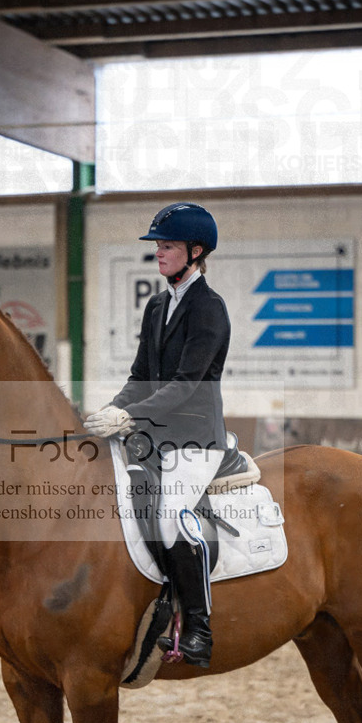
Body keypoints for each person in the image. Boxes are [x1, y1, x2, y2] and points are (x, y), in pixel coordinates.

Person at [84, 202, 230, 668]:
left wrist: (129, 416)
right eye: (158, 246)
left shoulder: (209, 308)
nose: (159, 253)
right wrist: (110, 411)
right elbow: (140, 377)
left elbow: (186, 385)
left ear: (195, 251)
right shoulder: (157, 305)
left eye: (167, 246)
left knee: (170, 516)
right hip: (154, 434)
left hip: (195, 439)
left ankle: (199, 628)